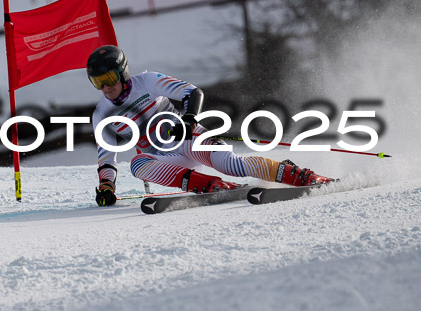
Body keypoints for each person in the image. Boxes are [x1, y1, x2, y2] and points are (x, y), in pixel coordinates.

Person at [86, 45, 332, 206]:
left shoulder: (147, 81)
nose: (106, 87)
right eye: (98, 82)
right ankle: (209, 185)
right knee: (137, 164)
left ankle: (301, 176)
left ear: (123, 72)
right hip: (164, 159)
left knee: (231, 164)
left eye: (109, 78)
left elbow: (192, 92)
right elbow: (107, 158)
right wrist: (106, 186)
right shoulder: (102, 114)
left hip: (186, 138)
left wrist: (188, 119)